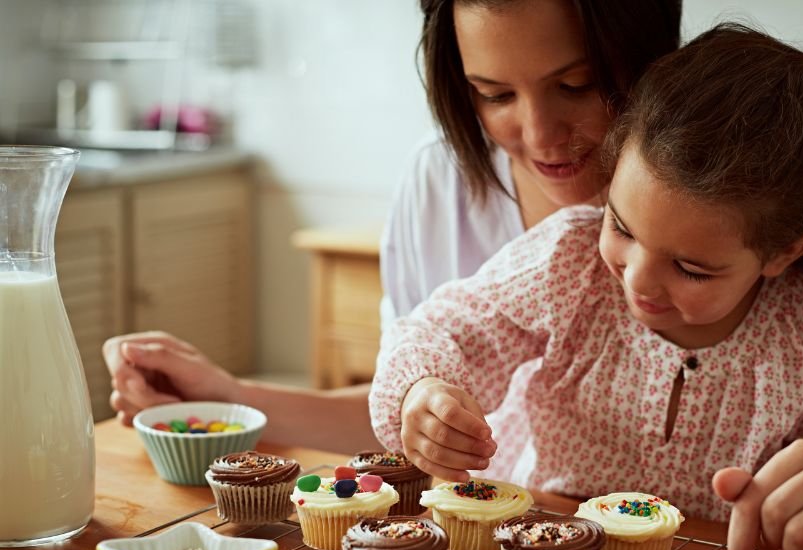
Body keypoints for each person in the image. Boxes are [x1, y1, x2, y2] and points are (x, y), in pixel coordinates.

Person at [369, 23, 803, 550]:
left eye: (692, 268)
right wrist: (423, 392)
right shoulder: (566, 260)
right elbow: (446, 329)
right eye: (621, 226)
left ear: (781, 254)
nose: (639, 281)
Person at [101, 0, 683, 452]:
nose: (538, 135)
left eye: (575, 85)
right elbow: (399, 413)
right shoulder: (439, 181)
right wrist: (232, 398)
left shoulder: (717, 193)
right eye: (495, 94)